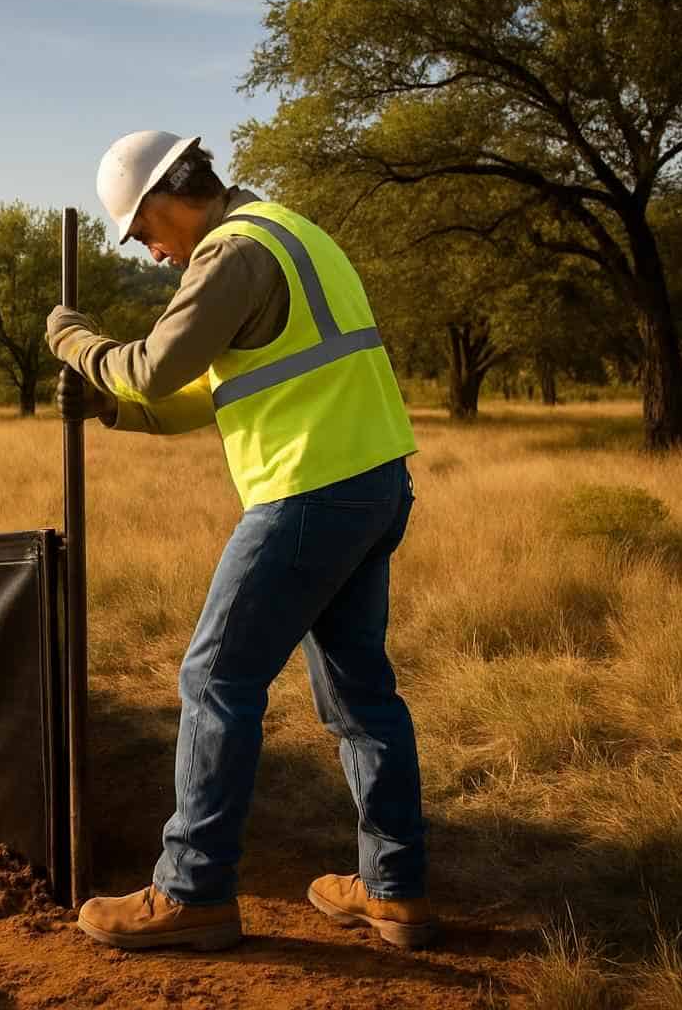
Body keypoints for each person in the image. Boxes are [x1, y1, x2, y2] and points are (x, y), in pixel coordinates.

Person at [46, 131, 435, 952]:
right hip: (374, 483)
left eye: (142, 231)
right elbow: (214, 387)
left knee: (215, 680)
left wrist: (76, 344)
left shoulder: (227, 254)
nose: (150, 252)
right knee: (361, 697)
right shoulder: (293, 231)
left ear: (163, 198)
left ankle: (192, 891)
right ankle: (394, 890)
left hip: (306, 492)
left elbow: (153, 366)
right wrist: (112, 409)